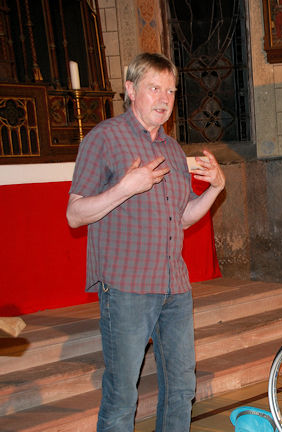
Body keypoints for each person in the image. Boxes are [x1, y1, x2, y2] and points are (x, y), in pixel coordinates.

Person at [66, 53, 225, 431]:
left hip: (174, 286)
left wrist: (214, 190)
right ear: (131, 89)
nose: (164, 99)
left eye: (170, 91)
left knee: (182, 388)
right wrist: (125, 187)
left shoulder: (171, 149)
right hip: (127, 287)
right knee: (123, 396)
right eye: (155, 88)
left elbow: (182, 217)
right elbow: (74, 214)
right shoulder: (104, 138)